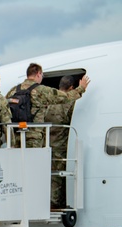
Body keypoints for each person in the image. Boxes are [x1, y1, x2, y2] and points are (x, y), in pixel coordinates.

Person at [7, 63, 89, 150]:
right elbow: (65, 97)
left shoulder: (13, 90)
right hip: (33, 138)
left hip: (15, 136)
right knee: (33, 161)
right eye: (42, 75)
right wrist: (81, 88)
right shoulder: (41, 90)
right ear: (38, 74)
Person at [45, 76, 78, 209]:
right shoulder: (69, 102)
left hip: (46, 142)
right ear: (71, 88)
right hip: (60, 142)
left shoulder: (49, 100)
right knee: (58, 174)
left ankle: (46, 199)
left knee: (47, 172)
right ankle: (55, 202)